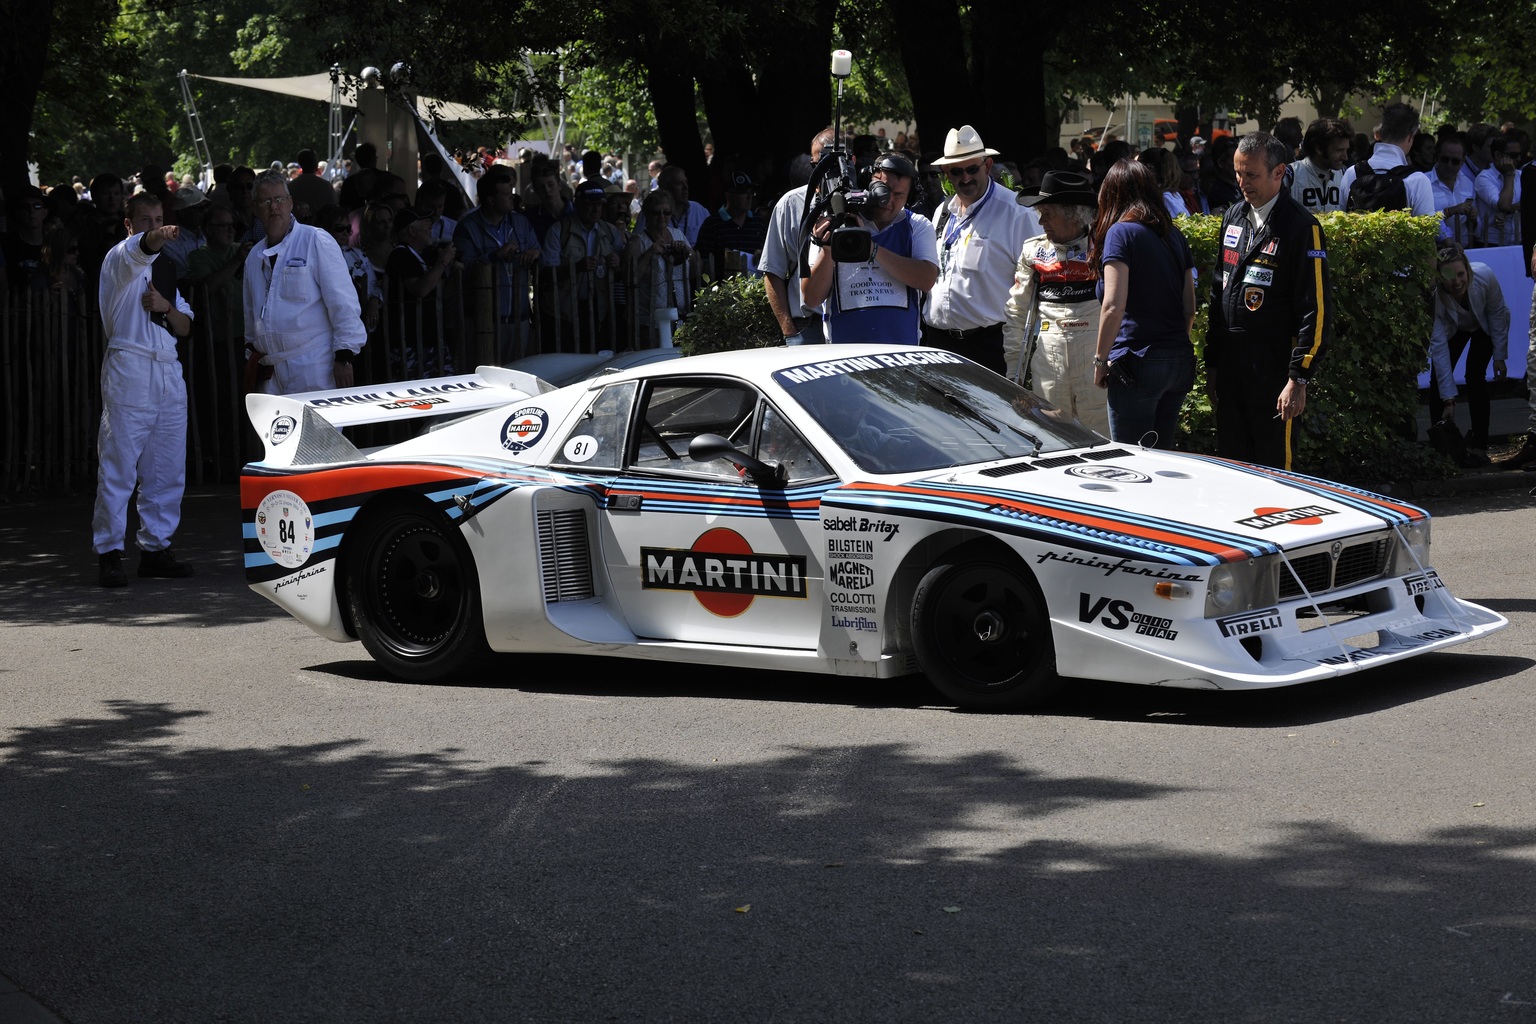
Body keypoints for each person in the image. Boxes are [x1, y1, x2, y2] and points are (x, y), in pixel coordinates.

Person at [1206, 132, 1333, 470]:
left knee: (1276, 468)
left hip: (1275, 367)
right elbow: (1219, 291)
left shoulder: (1301, 227)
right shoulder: (1233, 216)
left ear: (1279, 172)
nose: (1242, 182)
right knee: (1234, 466)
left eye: (1251, 175)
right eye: (1237, 173)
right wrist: (1214, 364)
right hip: (1233, 365)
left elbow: (1316, 309)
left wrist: (1298, 378)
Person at [91, 191, 196, 587]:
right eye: (146, 220)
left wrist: (165, 307)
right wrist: (158, 236)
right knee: (118, 465)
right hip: (131, 367)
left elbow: (186, 325)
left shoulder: (166, 270)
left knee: (166, 468)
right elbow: (144, 247)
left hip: (168, 370)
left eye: (159, 218)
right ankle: (109, 553)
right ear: (130, 224)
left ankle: (155, 549)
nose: (155, 226)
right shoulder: (121, 258)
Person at [1087, 160, 1196, 448]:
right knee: (1163, 457)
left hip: (1136, 361)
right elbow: (1190, 308)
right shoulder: (1175, 235)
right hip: (1178, 360)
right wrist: (1171, 349)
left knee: (1131, 462)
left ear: (1110, 195)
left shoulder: (1119, 233)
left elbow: (1113, 305)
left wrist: (1100, 360)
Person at [923, 125, 1041, 373]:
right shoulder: (943, 212)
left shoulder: (1016, 213)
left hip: (989, 347)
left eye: (972, 169)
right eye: (956, 171)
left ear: (987, 166)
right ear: (946, 173)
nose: (965, 178)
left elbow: (1038, 283)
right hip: (939, 345)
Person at [242, 169, 366, 394]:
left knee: (320, 430)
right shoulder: (254, 257)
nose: (274, 206)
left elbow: (343, 302)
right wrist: (252, 354)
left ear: (290, 203)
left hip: (315, 366)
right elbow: (250, 315)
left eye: (279, 199)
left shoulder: (315, 240)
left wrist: (345, 356)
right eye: (266, 201)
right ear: (254, 208)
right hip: (270, 371)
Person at [1004, 170, 1107, 436]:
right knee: (1054, 438)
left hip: (1094, 359)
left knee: (1101, 439)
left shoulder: (1105, 247)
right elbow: (1017, 313)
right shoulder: (1033, 251)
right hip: (1049, 360)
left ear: (1074, 213)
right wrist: (1014, 372)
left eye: (1047, 214)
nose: (1041, 222)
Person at [801, 151, 938, 345]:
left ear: (910, 197)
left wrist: (871, 248)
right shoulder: (837, 223)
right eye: (883, 190)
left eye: (899, 195)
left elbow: (926, 279)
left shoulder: (917, 225)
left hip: (902, 356)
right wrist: (829, 249)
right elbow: (811, 298)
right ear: (868, 182)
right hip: (844, 357)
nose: (888, 201)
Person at [1427, 243, 1509, 452]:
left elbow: (1497, 314)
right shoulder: (1435, 299)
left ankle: (1480, 443)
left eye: (1461, 274)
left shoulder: (1485, 276)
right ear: (1439, 277)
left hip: (1484, 326)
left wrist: (1499, 356)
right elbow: (1439, 347)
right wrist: (1449, 401)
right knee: (1437, 380)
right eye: (1449, 277)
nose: (1457, 282)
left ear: (1468, 270)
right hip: (1456, 328)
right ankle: (1441, 446)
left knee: (1475, 376)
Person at [453, 168, 540, 360]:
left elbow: (538, 250)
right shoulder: (468, 228)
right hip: (483, 323)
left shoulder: (521, 223)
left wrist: (534, 253)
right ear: (491, 200)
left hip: (520, 319)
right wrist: (494, 256)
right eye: (507, 194)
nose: (513, 197)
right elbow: (462, 270)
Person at [762, 127, 837, 345]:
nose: (823, 170)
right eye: (817, 164)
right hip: (807, 326)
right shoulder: (791, 203)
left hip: (851, 323)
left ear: (850, 160)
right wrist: (790, 331)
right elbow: (772, 269)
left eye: (831, 162)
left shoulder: (865, 202)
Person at [625, 189, 696, 346]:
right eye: (657, 213)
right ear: (647, 214)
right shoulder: (638, 241)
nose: (662, 217)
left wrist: (687, 253)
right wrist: (650, 252)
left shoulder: (678, 235)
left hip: (680, 318)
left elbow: (695, 271)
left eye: (667, 212)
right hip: (651, 322)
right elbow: (630, 279)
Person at [1341, 102, 1435, 215]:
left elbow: (1341, 221)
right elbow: (1427, 230)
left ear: (1381, 132)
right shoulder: (1418, 180)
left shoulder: (1352, 173)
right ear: (1411, 136)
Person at [1289, 118, 1352, 215]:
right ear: (1318, 148)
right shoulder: (1291, 175)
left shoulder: (1344, 174)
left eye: (1346, 150)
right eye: (1339, 150)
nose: (1345, 157)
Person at [1425, 135, 1478, 248]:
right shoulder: (1424, 182)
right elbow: (1424, 219)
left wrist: (1474, 217)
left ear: (1463, 161)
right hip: (1435, 252)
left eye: (1455, 161)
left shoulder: (1468, 184)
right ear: (1437, 157)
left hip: (1465, 250)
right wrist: (1452, 211)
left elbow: (1478, 227)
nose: (1449, 165)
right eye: (1445, 159)